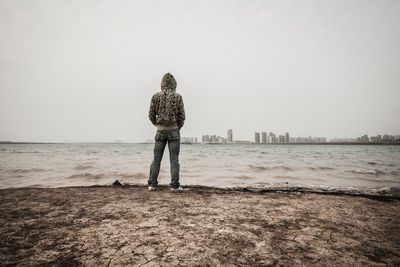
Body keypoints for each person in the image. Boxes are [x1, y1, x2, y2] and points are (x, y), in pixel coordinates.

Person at [148, 73, 185, 192]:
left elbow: (151, 115)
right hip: (174, 130)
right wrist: (177, 127)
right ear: (174, 84)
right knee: (174, 160)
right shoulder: (178, 97)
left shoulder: (155, 97)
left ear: (162, 83)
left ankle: (152, 185)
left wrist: (158, 125)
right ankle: (175, 186)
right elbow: (182, 116)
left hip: (160, 131)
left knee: (156, 159)